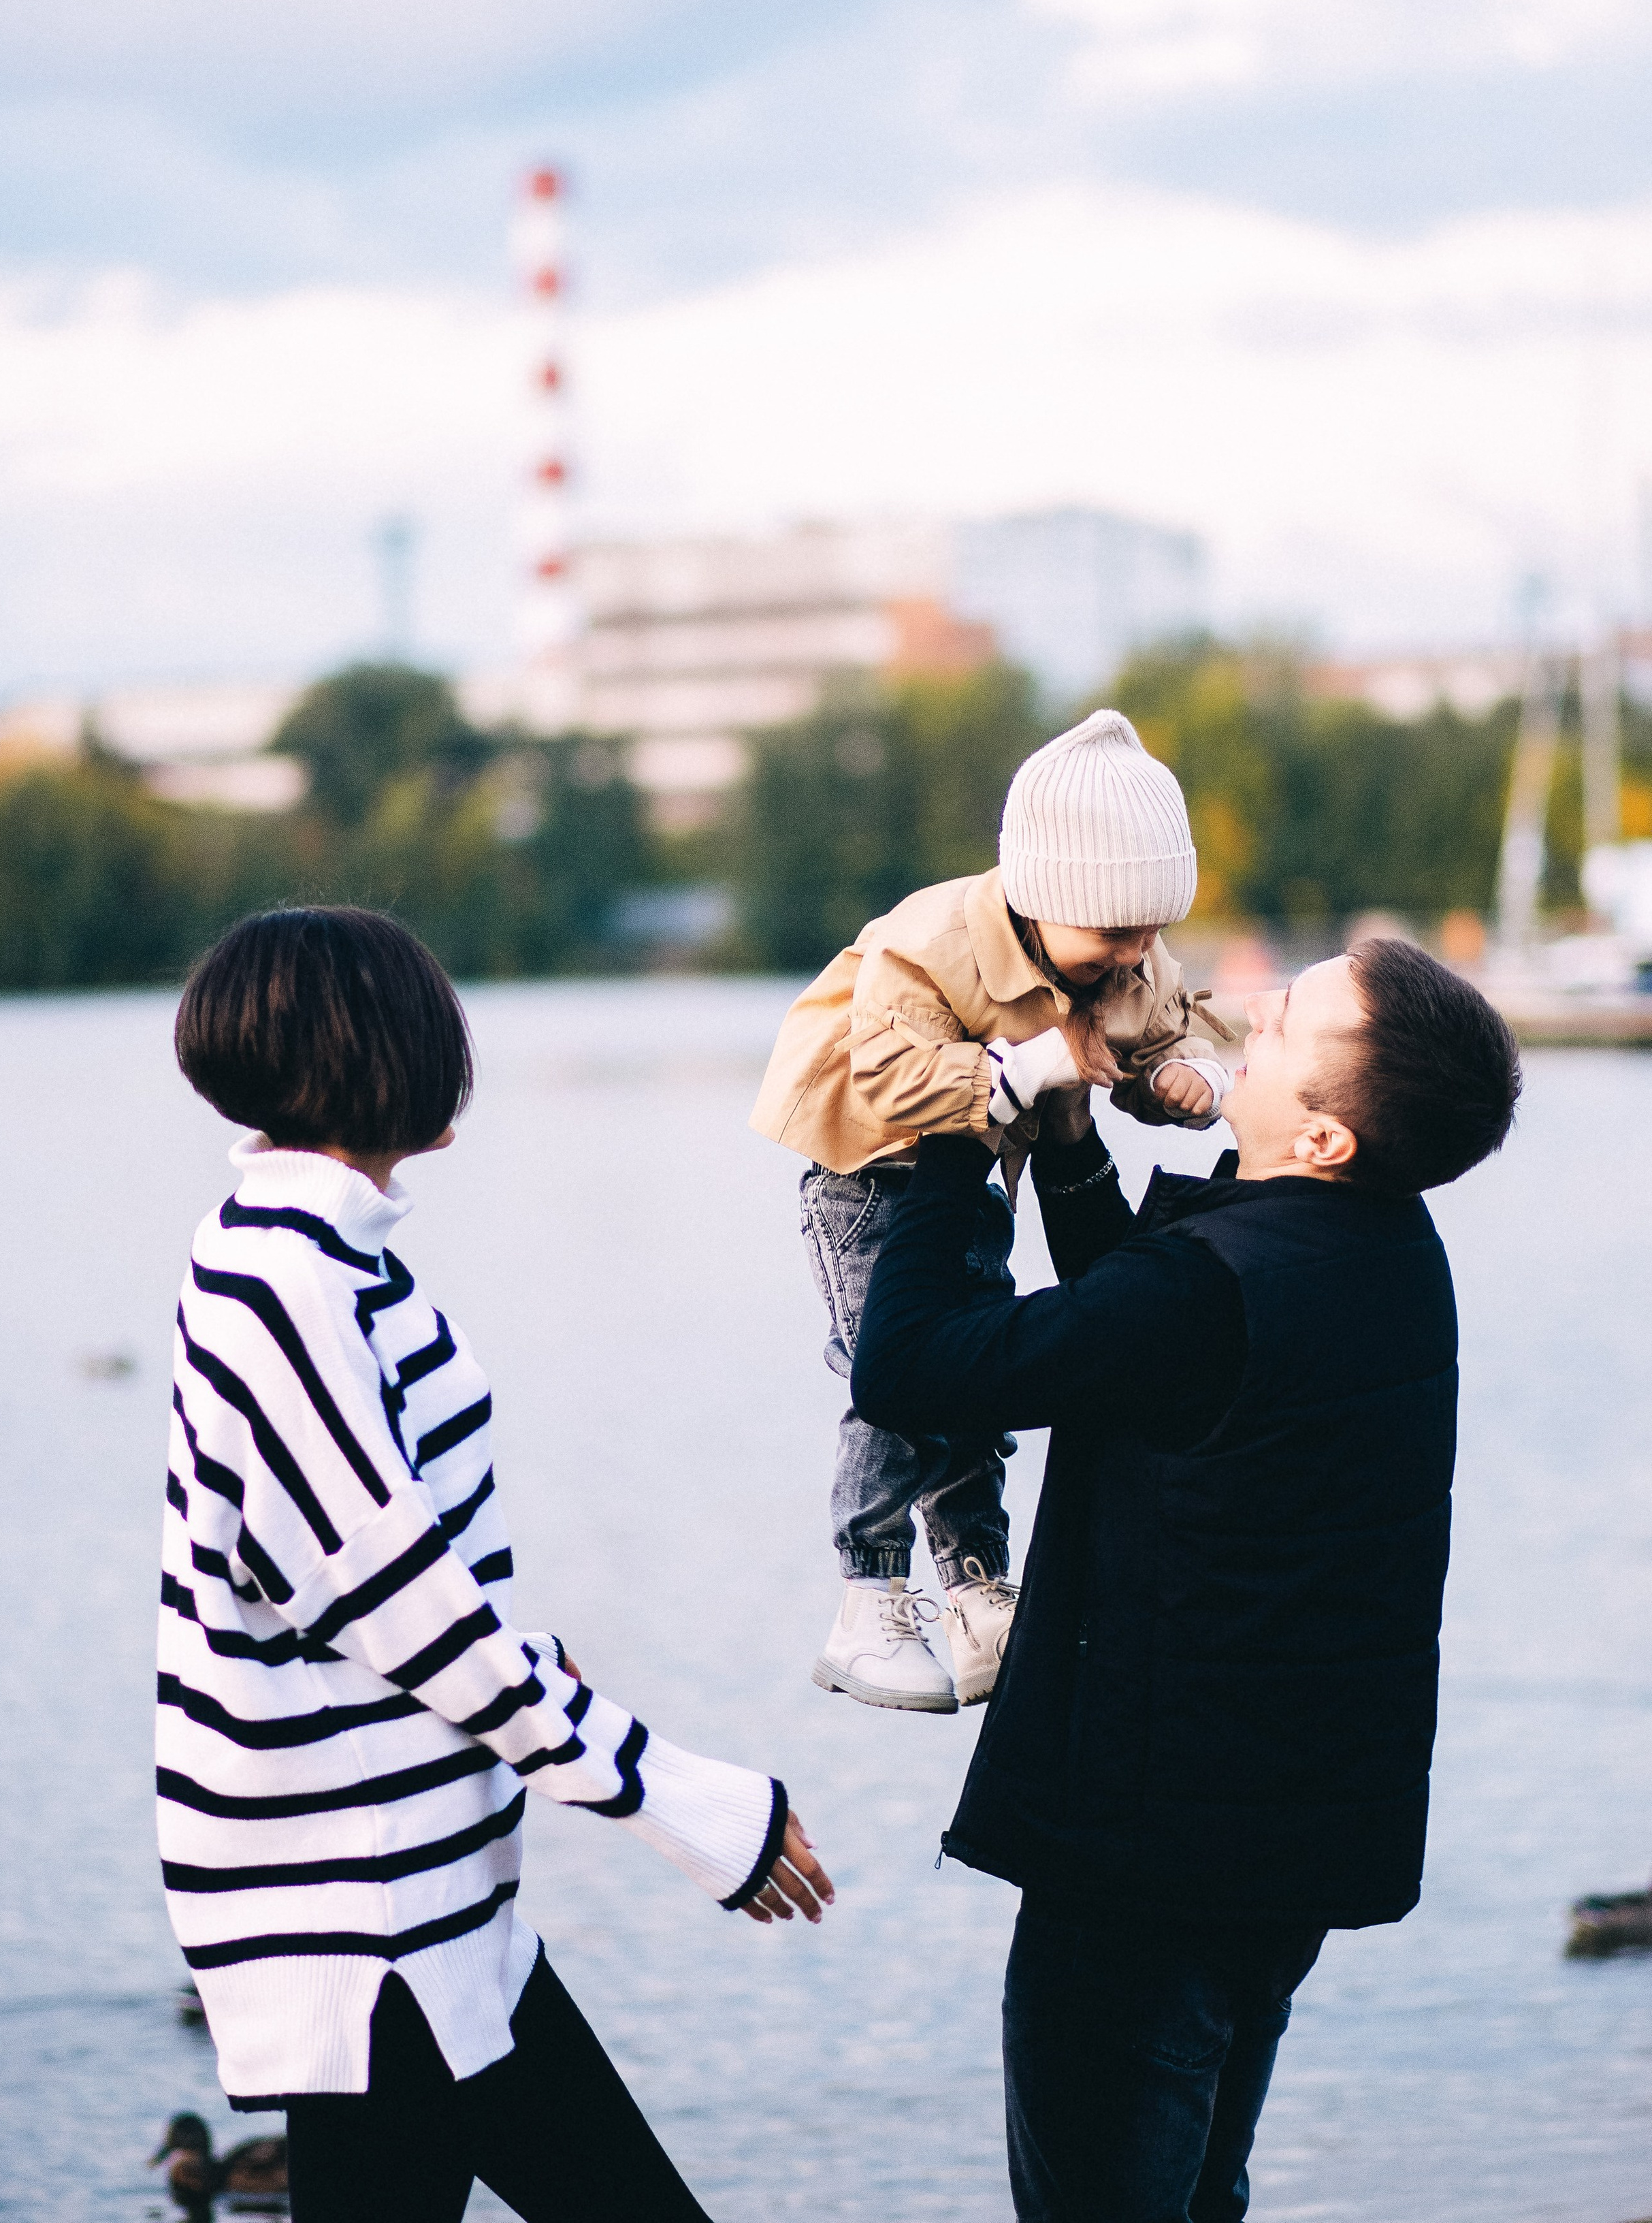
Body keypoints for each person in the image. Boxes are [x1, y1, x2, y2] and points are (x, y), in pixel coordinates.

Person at [161, 907, 832, 2223]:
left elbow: (412, 1576)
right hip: (365, 1905)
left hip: (433, 1892)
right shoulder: (279, 1288)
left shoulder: (327, 1261)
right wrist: (677, 1799)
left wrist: (531, 1666)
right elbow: (404, 1611)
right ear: (388, 1063)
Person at [852, 935, 1521, 2223]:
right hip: (1282, 1847)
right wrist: (1060, 1140)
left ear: (1323, 1138)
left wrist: (955, 1130)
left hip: (1147, 1869)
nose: (1252, 1008)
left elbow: (916, 1366)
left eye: (1287, 1027)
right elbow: (1140, 1326)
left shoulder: (1215, 1289)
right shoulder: (1386, 1246)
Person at [751, 709, 1233, 1713]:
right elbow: (891, 1082)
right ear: (1043, 896)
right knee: (891, 1380)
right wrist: (1040, 1063)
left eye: (1153, 931)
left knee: (971, 1379)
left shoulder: (1125, 956)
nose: (1135, 953)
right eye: (1114, 932)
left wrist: (1186, 1078)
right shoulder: (929, 943)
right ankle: (869, 1593)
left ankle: (974, 1590)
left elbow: (1158, 1038)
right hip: (867, 1172)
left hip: (971, 1182)